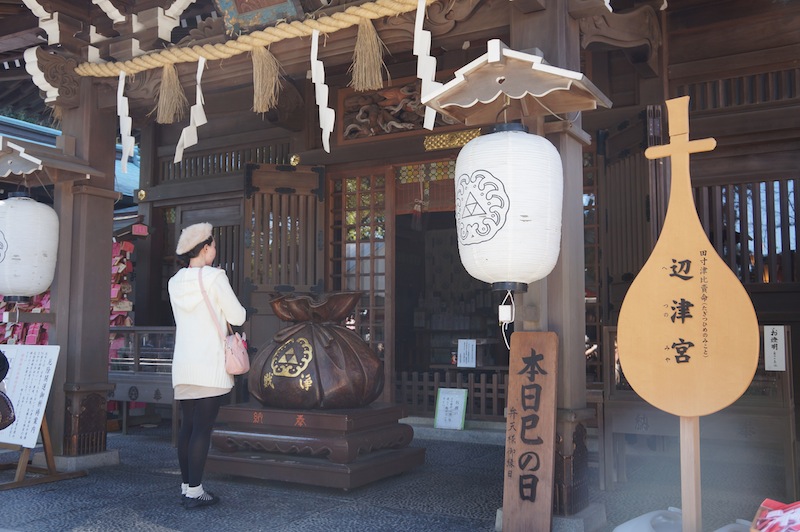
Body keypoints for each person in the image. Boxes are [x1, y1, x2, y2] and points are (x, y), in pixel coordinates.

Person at [168, 222, 246, 509]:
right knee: (203, 428)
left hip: (184, 363)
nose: (214, 251)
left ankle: (187, 485)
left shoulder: (174, 281)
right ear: (204, 248)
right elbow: (237, 316)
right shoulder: (215, 277)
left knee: (187, 427)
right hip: (210, 363)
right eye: (212, 246)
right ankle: (195, 492)